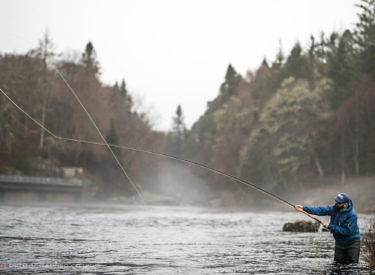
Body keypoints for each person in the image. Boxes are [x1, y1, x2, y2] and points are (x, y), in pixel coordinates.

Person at [295, 193, 360, 264]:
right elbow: (320, 210)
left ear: (345, 204)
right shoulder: (334, 209)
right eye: (336, 201)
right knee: (337, 265)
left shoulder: (352, 215)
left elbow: (347, 231)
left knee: (352, 266)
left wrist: (330, 226)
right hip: (339, 243)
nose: (336, 204)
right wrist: (304, 208)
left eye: (338, 203)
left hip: (352, 243)